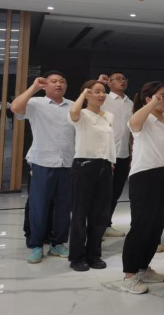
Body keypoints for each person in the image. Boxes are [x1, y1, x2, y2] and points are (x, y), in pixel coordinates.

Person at [12, 71, 75, 264]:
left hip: (67, 162)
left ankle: (58, 243)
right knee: (39, 207)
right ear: (45, 85)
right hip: (42, 162)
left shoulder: (73, 105)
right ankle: (36, 245)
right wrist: (33, 87)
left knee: (64, 207)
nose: (58, 84)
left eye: (62, 81)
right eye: (53, 81)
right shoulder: (35, 103)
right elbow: (15, 107)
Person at [120, 82, 164, 294]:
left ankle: (143, 267)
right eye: (161, 96)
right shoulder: (143, 118)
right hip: (144, 176)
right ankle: (129, 275)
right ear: (148, 99)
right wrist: (152, 104)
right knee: (141, 226)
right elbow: (133, 123)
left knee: (156, 226)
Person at [68, 80, 117, 272]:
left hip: (105, 165)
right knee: (80, 213)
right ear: (87, 94)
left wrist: (111, 161)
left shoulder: (109, 116)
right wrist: (83, 94)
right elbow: (73, 112)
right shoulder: (81, 114)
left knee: (100, 214)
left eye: (103, 91)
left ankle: (94, 254)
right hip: (84, 165)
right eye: (96, 91)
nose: (101, 95)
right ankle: (77, 256)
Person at [100, 71, 134, 237]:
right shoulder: (103, 99)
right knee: (102, 193)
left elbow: (131, 130)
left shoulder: (130, 103)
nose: (122, 81)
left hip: (123, 154)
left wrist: (132, 152)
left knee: (115, 192)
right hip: (105, 154)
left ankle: (106, 225)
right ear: (109, 83)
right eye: (117, 79)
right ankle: (96, 227)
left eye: (124, 78)